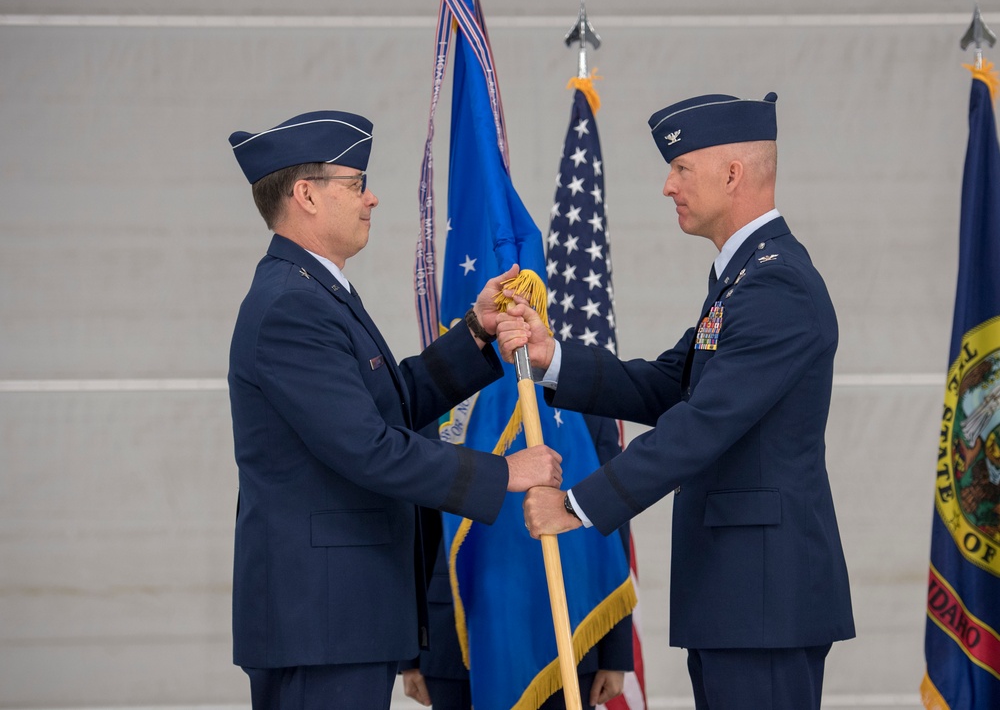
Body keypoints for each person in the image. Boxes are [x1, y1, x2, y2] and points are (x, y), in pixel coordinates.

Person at [497, 92, 855, 710]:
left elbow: (702, 424)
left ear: (732, 173)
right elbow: (669, 385)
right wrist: (549, 357)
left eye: (681, 168)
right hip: (737, 594)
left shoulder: (775, 284)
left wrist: (578, 505)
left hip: (761, 597)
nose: (668, 186)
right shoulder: (744, 276)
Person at [226, 110, 563, 710]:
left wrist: (476, 335)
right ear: (305, 194)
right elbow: (367, 447)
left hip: (339, 616)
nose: (372, 198)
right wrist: (504, 473)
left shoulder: (314, 290)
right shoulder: (291, 306)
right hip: (321, 623)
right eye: (355, 184)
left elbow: (392, 405)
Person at [400, 416, 633, 710]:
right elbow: (419, 526)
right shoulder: (449, 386)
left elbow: (611, 522)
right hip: (456, 634)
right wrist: (411, 654)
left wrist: (614, 655)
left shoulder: (583, 397)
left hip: (569, 629)